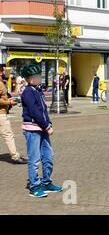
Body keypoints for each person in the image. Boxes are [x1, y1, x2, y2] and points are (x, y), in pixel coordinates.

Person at [20, 64, 63, 198]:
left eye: (39, 76)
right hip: (32, 129)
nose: (39, 79)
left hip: (43, 128)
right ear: (30, 79)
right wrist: (47, 126)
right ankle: (34, 186)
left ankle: (46, 182)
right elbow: (34, 112)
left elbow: (43, 111)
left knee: (48, 157)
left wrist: (48, 123)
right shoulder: (27, 92)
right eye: (37, 77)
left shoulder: (38, 91)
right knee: (34, 159)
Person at [0, 65, 27, 164]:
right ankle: (15, 157)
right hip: (1, 114)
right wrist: (9, 102)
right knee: (8, 135)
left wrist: (8, 99)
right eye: (4, 71)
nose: (6, 73)